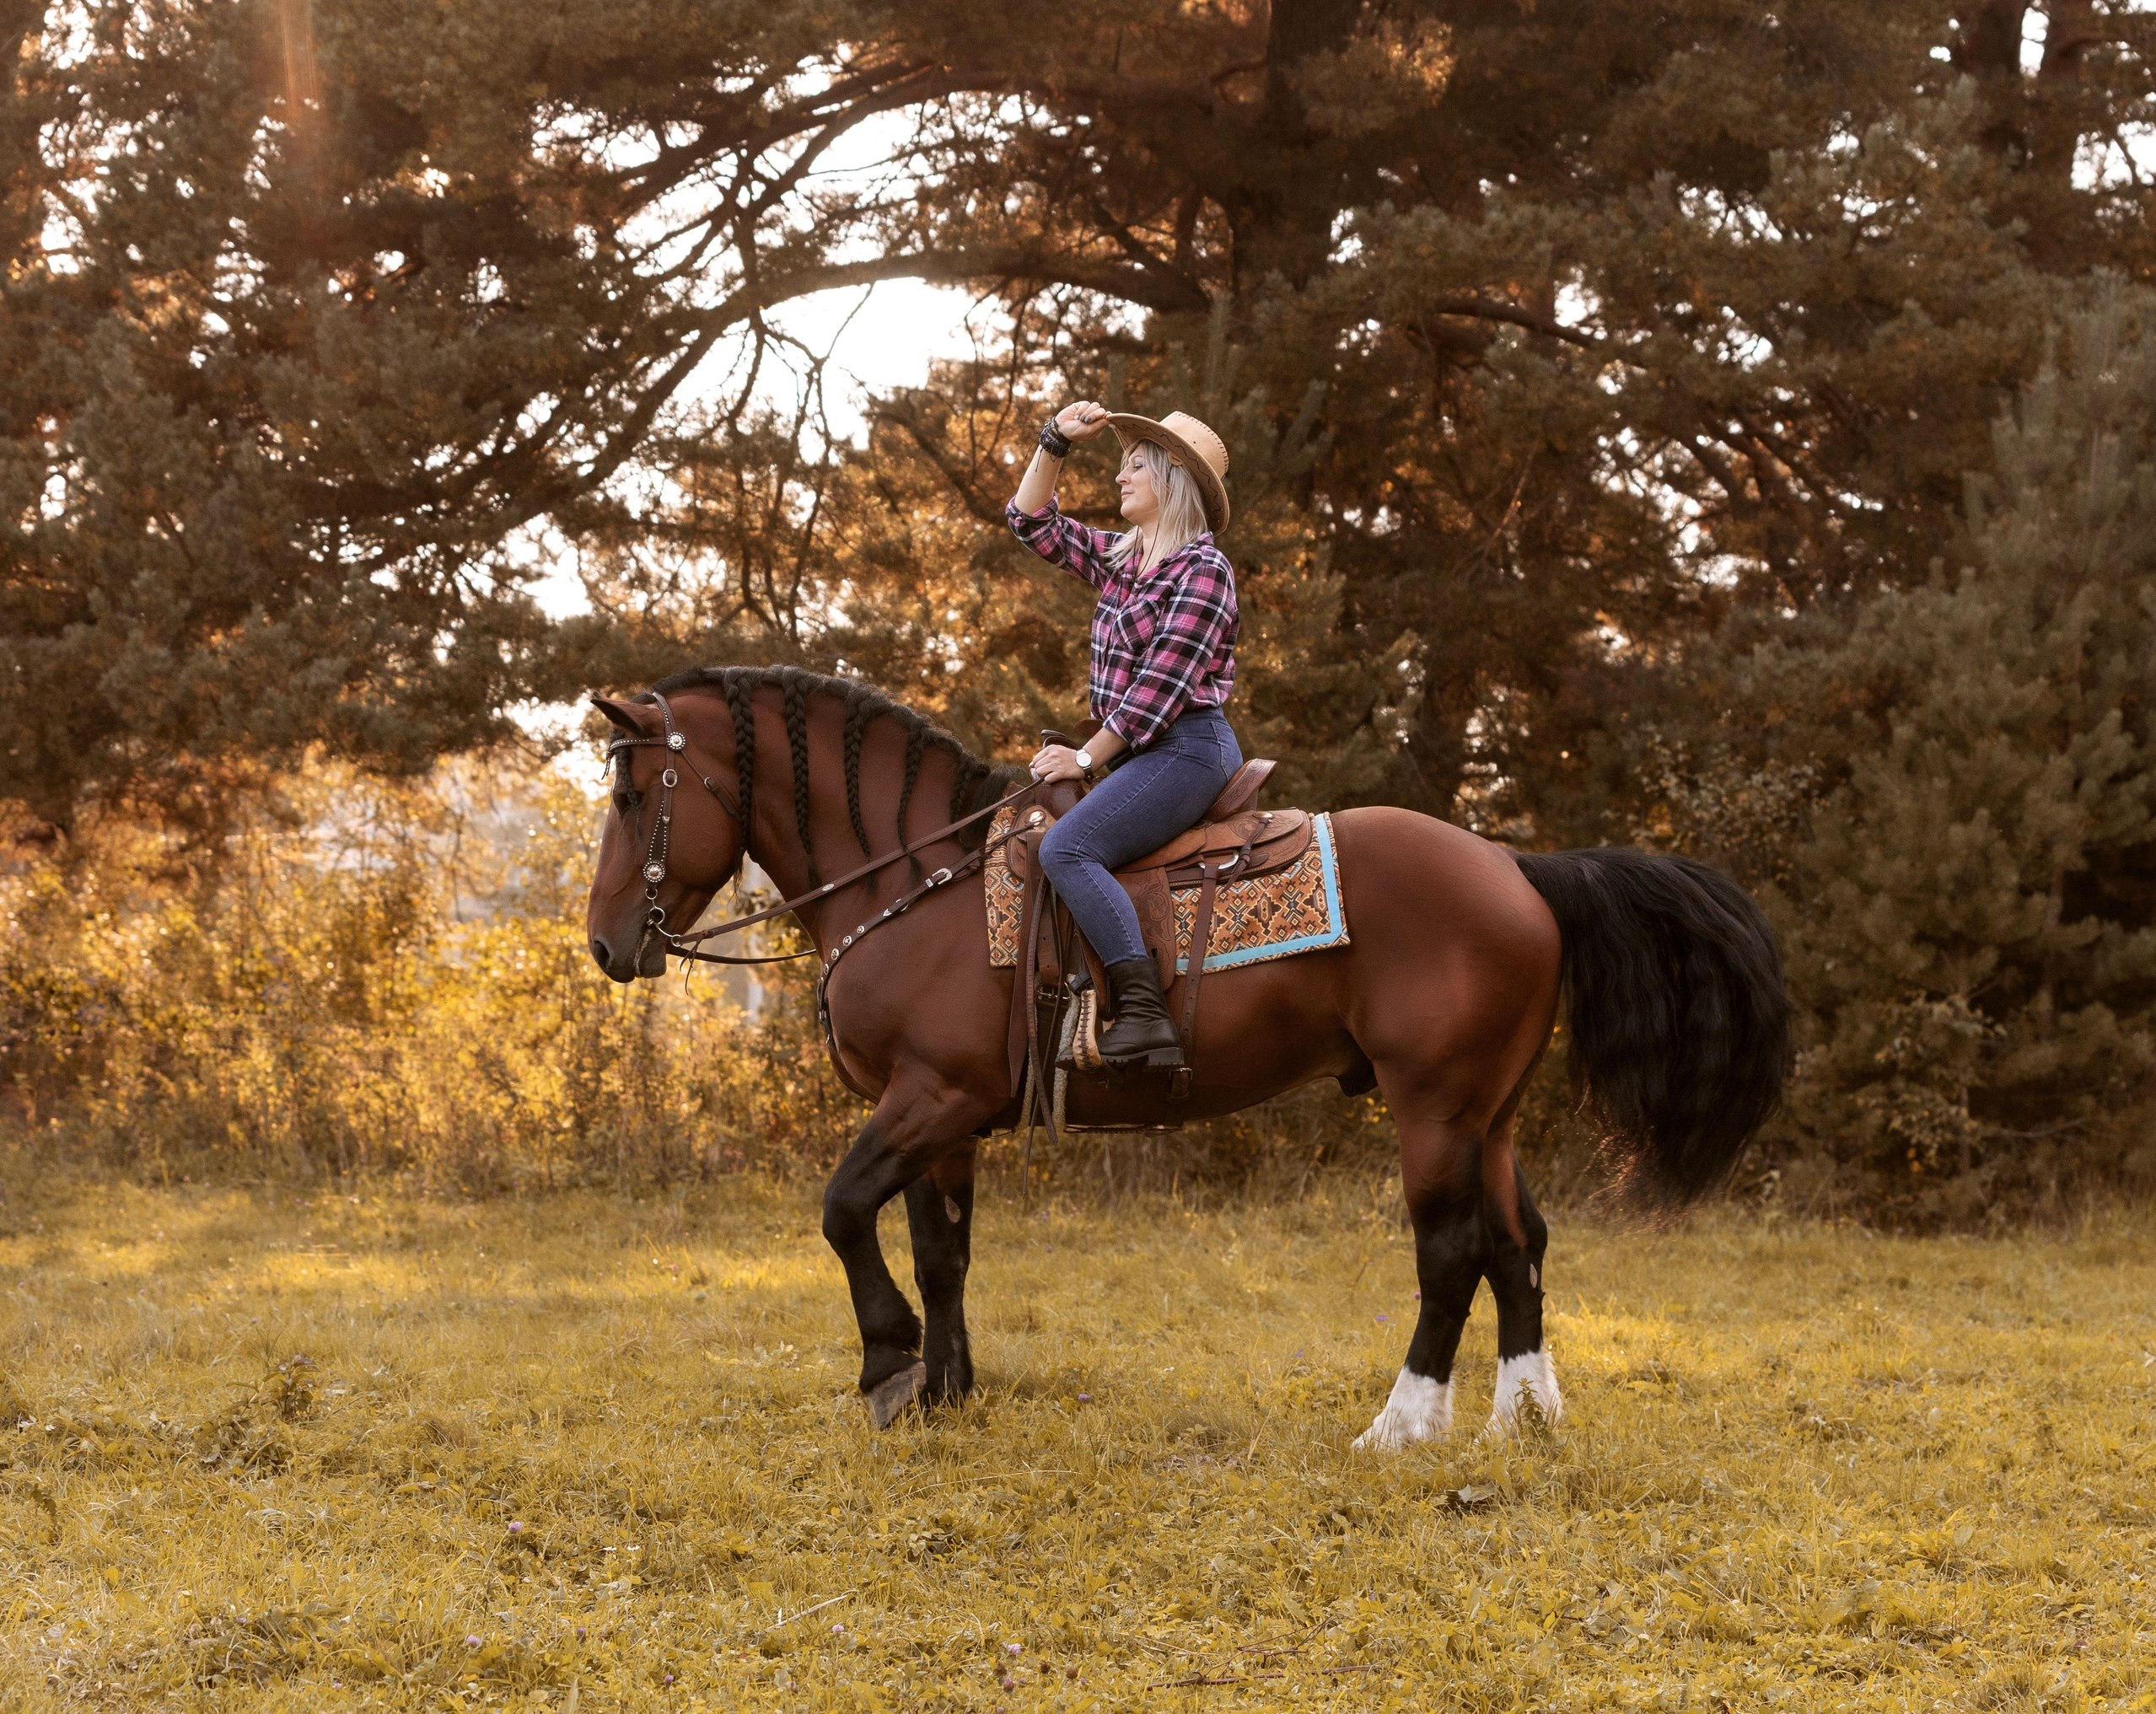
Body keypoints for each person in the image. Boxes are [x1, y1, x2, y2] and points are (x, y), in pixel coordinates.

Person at [1006, 399, 1243, 1070]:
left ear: (1172, 480)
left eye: (1135, 465)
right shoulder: (1123, 559)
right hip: (1141, 753)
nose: (1119, 476)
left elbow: (1155, 696)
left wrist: (1082, 757)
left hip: (1187, 748)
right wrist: (1054, 441)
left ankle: (1144, 1015)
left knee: (1068, 847)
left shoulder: (1203, 570)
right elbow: (1031, 523)